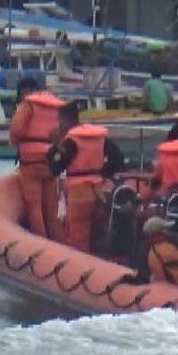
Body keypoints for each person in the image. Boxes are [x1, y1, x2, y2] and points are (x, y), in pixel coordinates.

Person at [48, 104, 125, 253]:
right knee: (99, 234)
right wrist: (101, 173)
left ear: (64, 120)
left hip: (79, 195)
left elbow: (56, 167)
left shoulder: (71, 141)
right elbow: (117, 158)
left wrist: (54, 148)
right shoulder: (97, 137)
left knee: (78, 239)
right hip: (99, 192)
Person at [9, 78, 66, 241]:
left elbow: (16, 132)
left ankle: (41, 244)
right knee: (51, 207)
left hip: (31, 162)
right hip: (50, 160)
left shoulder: (27, 106)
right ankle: (59, 243)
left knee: (34, 207)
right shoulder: (56, 106)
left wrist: (16, 142)